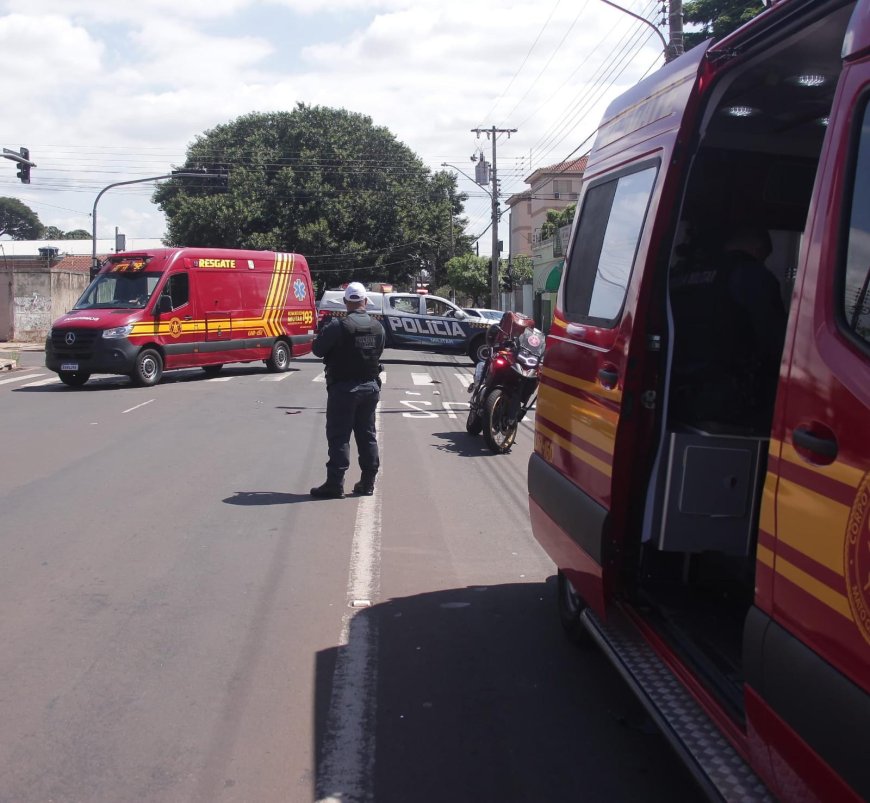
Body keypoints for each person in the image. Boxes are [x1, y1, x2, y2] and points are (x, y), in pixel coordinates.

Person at [670, 226, 787, 428]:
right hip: (725, 397)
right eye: (763, 257)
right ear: (758, 248)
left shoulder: (683, 272)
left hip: (674, 388)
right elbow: (776, 340)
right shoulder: (751, 275)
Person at [310, 281, 385, 499]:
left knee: (339, 436)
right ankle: (368, 482)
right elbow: (378, 351)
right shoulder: (378, 326)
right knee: (367, 435)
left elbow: (317, 350)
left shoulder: (338, 326)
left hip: (343, 388)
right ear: (365, 301)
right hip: (369, 387)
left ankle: (335, 484)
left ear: (345, 302)